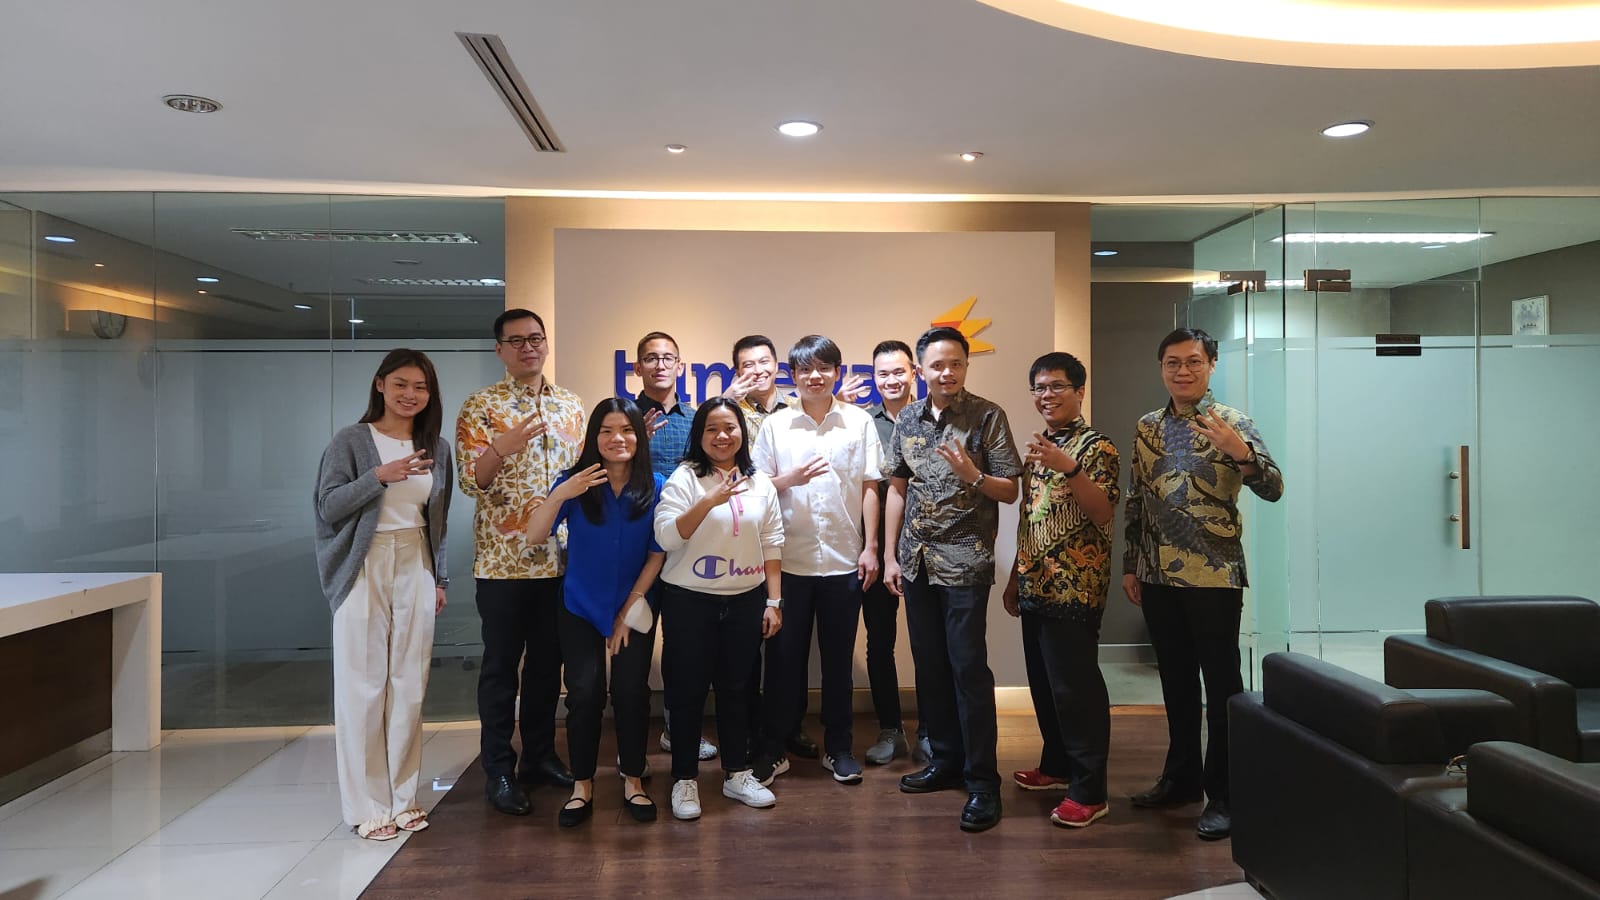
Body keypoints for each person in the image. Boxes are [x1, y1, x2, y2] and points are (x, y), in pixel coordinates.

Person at [1122, 327, 1284, 841]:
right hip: (1157, 573)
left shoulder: (1233, 422)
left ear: (1212, 364)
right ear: (1161, 368)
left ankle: (1226, 794)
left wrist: (1242, 454)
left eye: (1193, 361)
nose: (1183, 371)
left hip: (1214, 574)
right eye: (1172, 362)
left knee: (1221, 684)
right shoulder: (1147, 426)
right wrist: (1131, 563)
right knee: (1174, 681)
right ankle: (1182, 779)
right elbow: (1137, 498)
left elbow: (1274, 488)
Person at [884, 326, 1022, 833]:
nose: (947, 372)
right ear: (920, 370)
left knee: (968, 670)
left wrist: (974, 476)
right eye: (938, 365)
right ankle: (944, 760)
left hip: (965, 562)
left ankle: (983, 781)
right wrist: (890, 554)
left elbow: (1009, 491)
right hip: (916, 562)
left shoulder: (987, 415)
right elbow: (897, 487)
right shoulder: (908, 418)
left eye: (956, 364)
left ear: (966, 365)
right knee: (930, 666)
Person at [314, 348, 452, 841]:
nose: (410, 394)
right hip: (363, 561)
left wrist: (439, 579)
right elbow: (328, 506)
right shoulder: (351, 440)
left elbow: (437, 520)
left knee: (410, 684)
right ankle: (368, 805)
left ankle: (403, 797)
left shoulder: (437, 446)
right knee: (363, 685)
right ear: (380, 385)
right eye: (400, 384)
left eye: (420, 387)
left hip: (416, 561)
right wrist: (378, 477)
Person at [454, 308, 586, 817]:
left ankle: (539, 756)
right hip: (503, 565)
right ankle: (498, 770)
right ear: (500, 350)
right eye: (516, 341)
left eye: (535, 338)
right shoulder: (480, 406)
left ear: (546, 343)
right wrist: (500, 448)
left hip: (559, 562)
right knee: (501, 671)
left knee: (547, 670)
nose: (528, 348)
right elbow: (471, 482)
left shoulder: (571, 405)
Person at [524, 398, 665, 827]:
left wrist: (627, 611)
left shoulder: (657, 485)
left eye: (626, 430)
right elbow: (534, 535)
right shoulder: (576, 482)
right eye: (606, 431)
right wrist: (561, 493)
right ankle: (582, 784)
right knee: (584, 693)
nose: (617, 438)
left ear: (639, 437)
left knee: (631, 691)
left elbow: (657, 554)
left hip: (634, 607)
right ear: (594, 437)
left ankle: (633, 779)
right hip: (580, 604)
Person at [751, 335, 882, 786]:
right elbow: (756, 488)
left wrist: (871, 546)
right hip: (788, 564)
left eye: (824, 367)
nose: (815, 376)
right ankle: (774, 748)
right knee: (782, 663)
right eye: (805, 369)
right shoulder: (776, 426)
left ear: (838, 372)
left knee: (838, 664)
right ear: (793, 375)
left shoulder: (858, 422)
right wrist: (786, 479)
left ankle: (839, 748)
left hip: (844, 561)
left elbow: (870, 486)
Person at [1002, 352, 1121, 829]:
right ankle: (1056, 766)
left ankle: (1090, 791)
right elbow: (1031, 517)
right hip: (1035, 583)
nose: (1046, 395)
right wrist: (1015, 577)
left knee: (1077, 690)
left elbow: (1103, 512)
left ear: (1079, 391)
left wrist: (1071, 468)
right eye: (1039, 388)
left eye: (1056, 386)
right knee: (1045, 684)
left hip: (1076, 588)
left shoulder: (1098, 446)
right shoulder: (1041, 444)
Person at [654, 398, 785, 821]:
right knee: (687, 691)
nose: (722, 436)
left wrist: (773, 601)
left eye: (730, 427)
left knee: (737, 690)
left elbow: (772, 542)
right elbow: (667, 537)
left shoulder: (759, 481)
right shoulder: (684, 478)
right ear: (700, 435)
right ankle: (684, 778)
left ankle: (737, 773)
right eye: (712, 428)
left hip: (746, 600)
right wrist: (708, 500)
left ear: (742, 432)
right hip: (689, 600)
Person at [631, 330, 719, 763]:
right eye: (651, 358)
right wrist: (636, 445)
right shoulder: (623, 416)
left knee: (685, 650)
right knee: (635, 648)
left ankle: (678, 729)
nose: (660, 365)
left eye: (668, 358)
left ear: (680, 367)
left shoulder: (697, 418)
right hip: (637, 548)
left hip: (688, 548)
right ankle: (631, 744)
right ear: (638, 368)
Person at [861, 339, 929, 766]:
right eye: (882, 373)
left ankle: (931, 730)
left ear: (913, 373)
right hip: (875, 549)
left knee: (927, 644)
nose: (891, 379)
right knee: (879, 641)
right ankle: (891, 730)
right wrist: (880, 551)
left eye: (898, 371)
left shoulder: (930, 418)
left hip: (925, 546)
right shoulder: (863, 423)